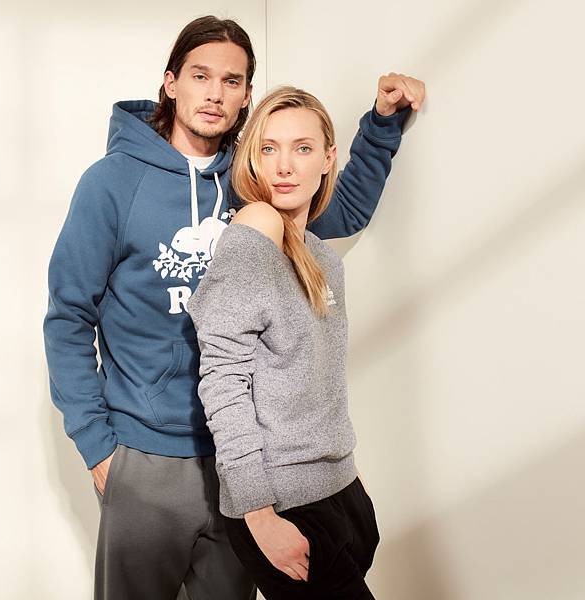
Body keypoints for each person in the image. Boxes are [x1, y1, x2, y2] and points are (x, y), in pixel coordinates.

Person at [43, 14, 425, 600]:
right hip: (145, 455)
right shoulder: (112, 184)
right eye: (201, 76)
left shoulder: (253, 184)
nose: (215, 94)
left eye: (232, 81)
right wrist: (98, 447)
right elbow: (69, 317)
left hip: (243, 461)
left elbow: (338, 209)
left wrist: (382, 123)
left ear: (247, 94)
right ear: (171, 82)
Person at [187, 85, 382, 600]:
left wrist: (350, 478)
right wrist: (258, 513)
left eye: (302, 148)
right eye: (269, 148)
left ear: (328, 159)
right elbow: (223, 380)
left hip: (340, 490)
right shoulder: (254, 230)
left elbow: (319, 379)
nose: (284, 166)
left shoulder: (324, 258)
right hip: (283, 504)